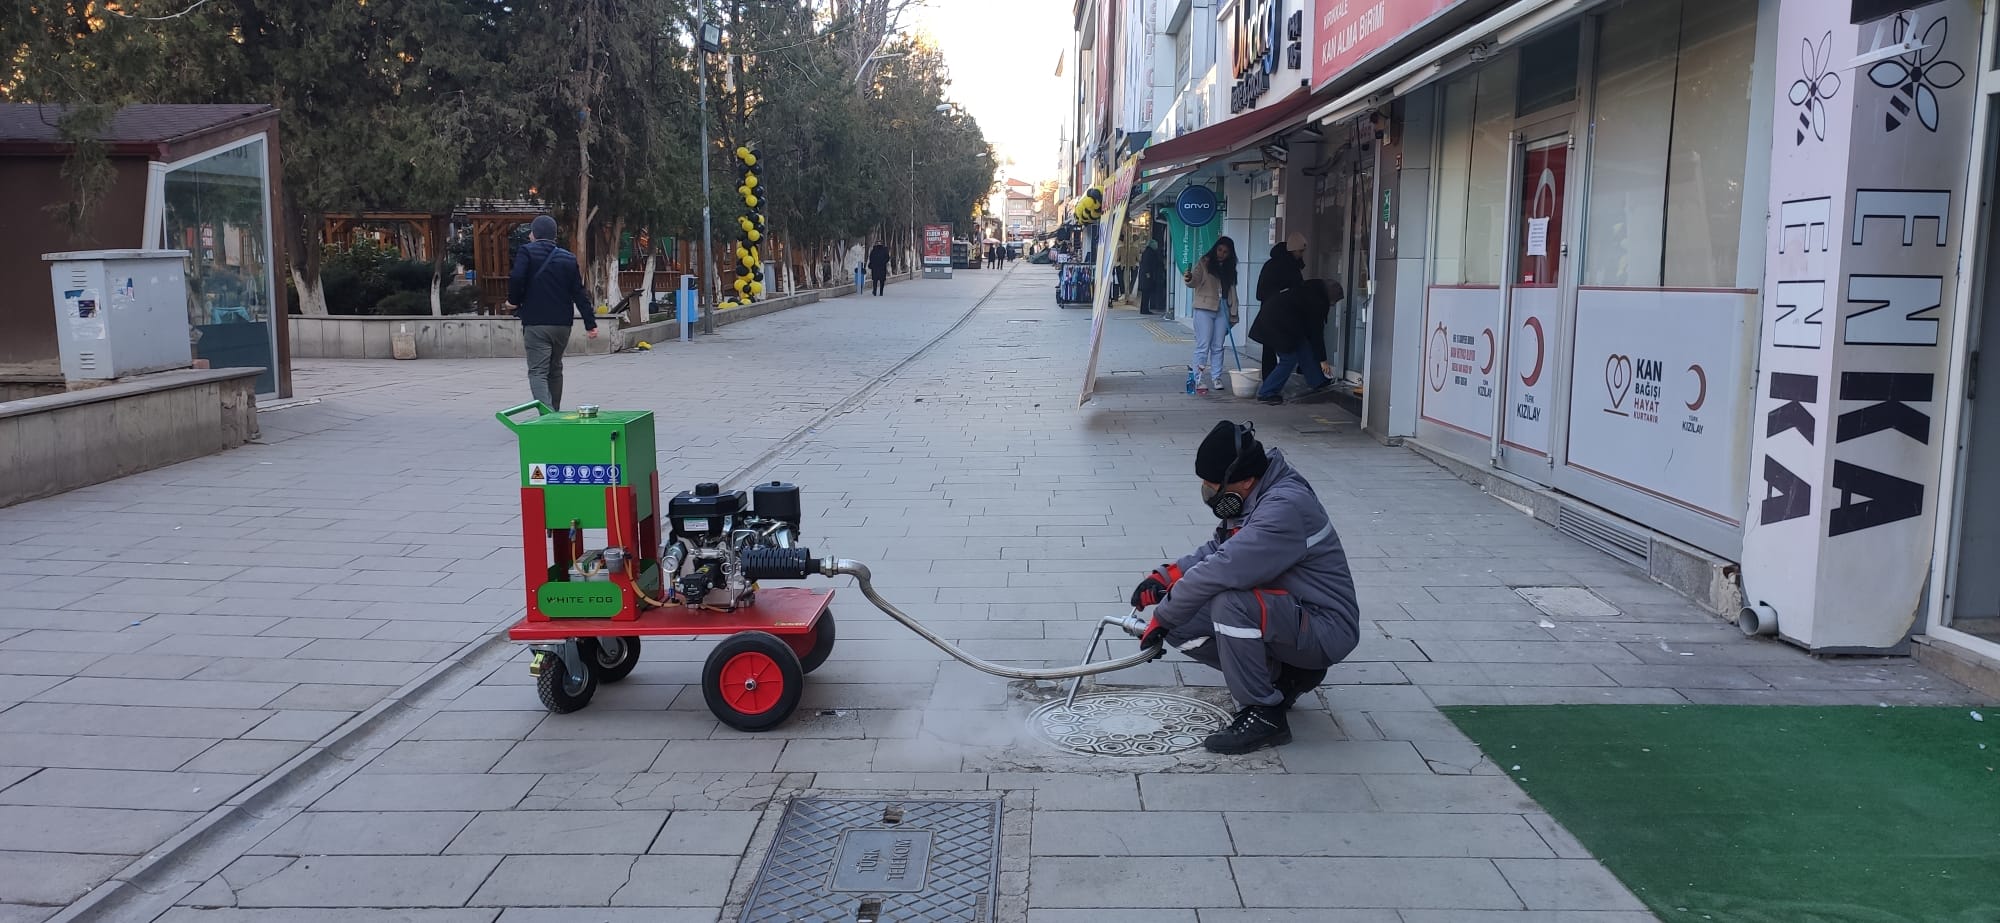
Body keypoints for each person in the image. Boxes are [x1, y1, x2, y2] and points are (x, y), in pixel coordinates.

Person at [1130, 420, 1360, 754]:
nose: (1210, 495)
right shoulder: (1256, 495)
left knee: (1229, 603)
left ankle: (1263, 712)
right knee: (1183, 619)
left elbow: (1222, 570)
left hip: (1325, 627)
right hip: (1291, 613)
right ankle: (1287, 676)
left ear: (1246, 479)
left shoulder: (1284, 508)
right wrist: (1166, 577)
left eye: (1214, 487)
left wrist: (1162, 616)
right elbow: (1218, 549)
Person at [506, 214, 597, 411]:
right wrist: (590, 323)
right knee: (555, 369)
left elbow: (517, 278)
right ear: (554, 235)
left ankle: (547, 417)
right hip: (562, 325)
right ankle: (554, 411)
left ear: (534, 234)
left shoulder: (526, 252)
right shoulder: (568, 258)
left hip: (537, 323)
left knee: (538, 371)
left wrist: (513, 301)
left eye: (531, 232)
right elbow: (579, 293)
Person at [1249, 233, 1334, 404]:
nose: (1302, 255)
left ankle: (1316, 380)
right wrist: (1323, 359)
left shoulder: (1277, 265)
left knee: (1300, 347)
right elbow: (1315, 330)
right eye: (1300, 251)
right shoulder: (1288, 269)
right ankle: (1268, 390)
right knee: (1289, 356)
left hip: (1280, 316)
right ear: (1293, 250)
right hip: (1279, 319)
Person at [1183, 236, 1239, 395]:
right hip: (1204, 308)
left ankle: (1216, 377)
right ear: (1215, 248)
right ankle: (1198, 378)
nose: (1221, 254)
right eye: (1220, 250)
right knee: (1203, 345)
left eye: (1225, 252)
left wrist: (1233, 312)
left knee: (1218, 346)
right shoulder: (1204, 262)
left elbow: (1233, 292)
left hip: (1222, 309)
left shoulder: (1230, 268)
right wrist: (1188, 278)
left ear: (1230, 254)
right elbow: (1193, 281)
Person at [1138, 237, 1168, 316]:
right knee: (1146, 293)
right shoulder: (1149, 253)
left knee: (1146, 294)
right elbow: (1147, 265)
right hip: (1147, 276)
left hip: (1146, 276)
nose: (1156, 246)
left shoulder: (1147, 252)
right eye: (1155, 244)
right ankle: (1144, 309)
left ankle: (1144, 309)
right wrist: (1148, 274)